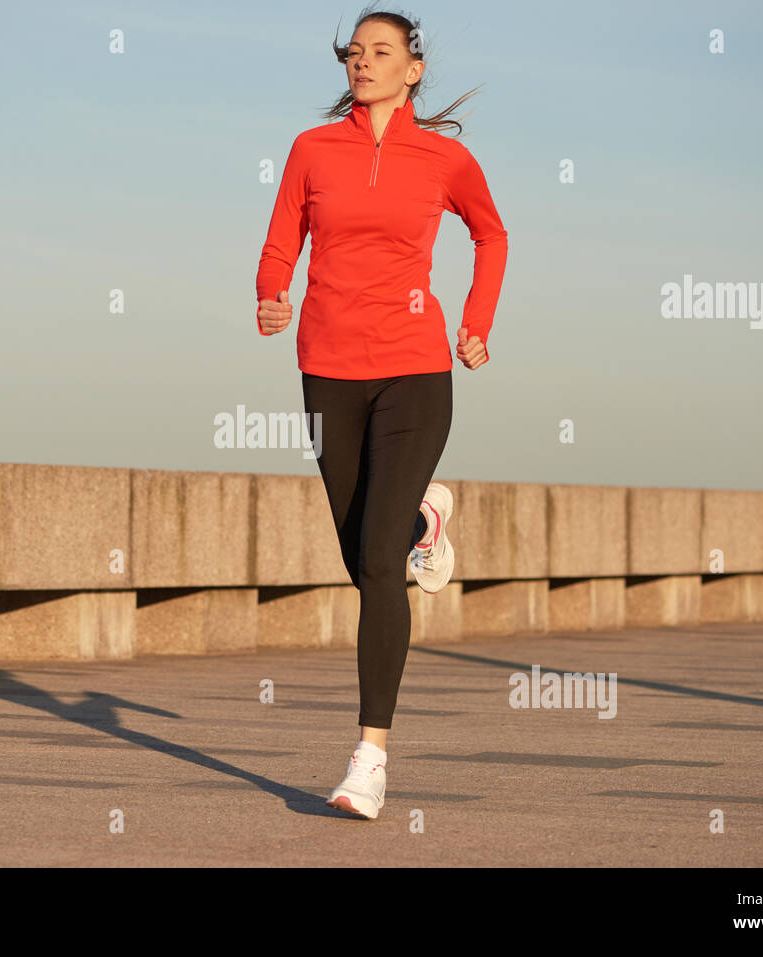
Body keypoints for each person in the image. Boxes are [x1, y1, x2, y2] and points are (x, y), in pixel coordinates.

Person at [254, 6, 508, 819]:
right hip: (327, 367)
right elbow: (281, 234)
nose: (364, 62)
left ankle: (370, 757)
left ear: (413, 68)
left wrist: (476, 322)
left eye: (381, 51)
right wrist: (270, 295)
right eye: (355, 52)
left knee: (375, 572)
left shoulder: (444, 158)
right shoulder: (310, 149)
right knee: (362, 554)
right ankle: (424, 523)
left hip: (415, 368)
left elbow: (491, 235)